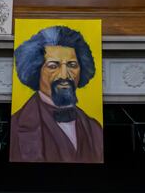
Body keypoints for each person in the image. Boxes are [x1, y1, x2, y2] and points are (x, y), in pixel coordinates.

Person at [10, 26, 103, 163]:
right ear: (35, 70)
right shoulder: (15, 126)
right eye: (53, 66)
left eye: (72, 65)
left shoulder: (95, 128)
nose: (64, 75)